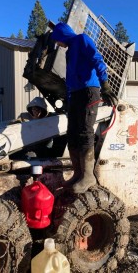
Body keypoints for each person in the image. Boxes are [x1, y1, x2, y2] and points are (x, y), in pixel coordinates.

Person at [51, 22, 117, 194]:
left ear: (62, 35)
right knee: (72, 132)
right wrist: (69, 98)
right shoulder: (69, 51)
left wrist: (105, 85)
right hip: (76, 93)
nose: (58, 44)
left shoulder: (82, 39)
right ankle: (78, 173)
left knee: (85, 131)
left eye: (57, 40)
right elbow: (71, 78)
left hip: (89, 90)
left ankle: (88, 176)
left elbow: (97, 59)